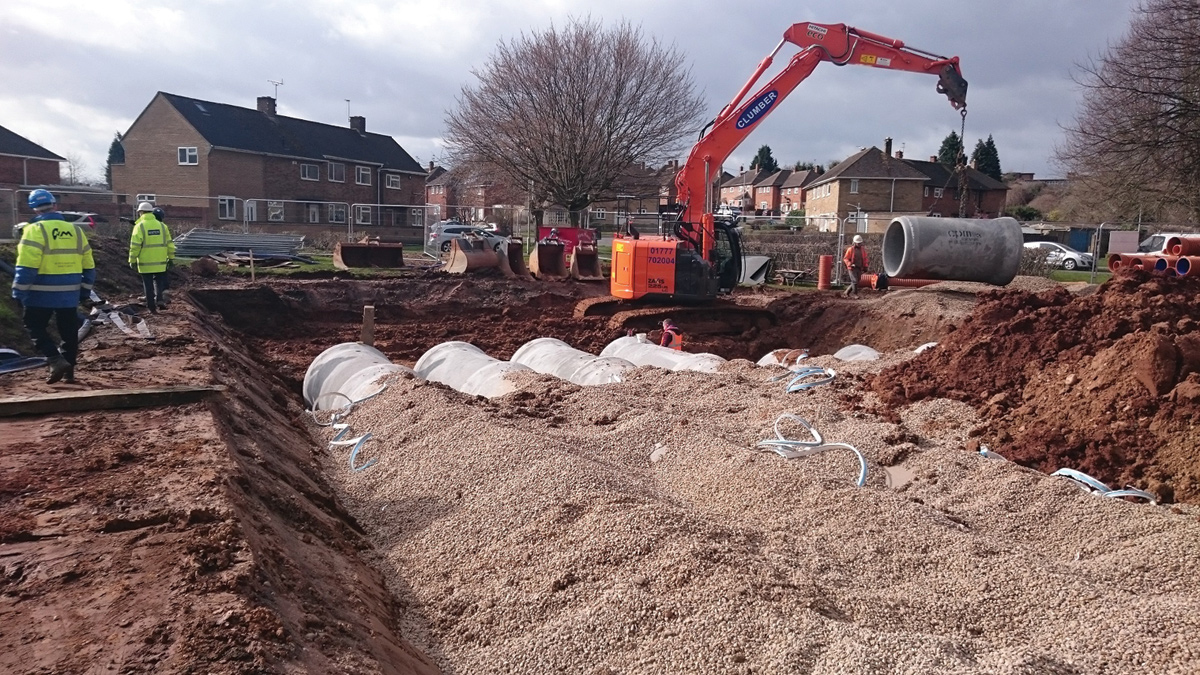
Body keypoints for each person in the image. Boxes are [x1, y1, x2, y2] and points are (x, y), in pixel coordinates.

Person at [11, 189, 96, 384]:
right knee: (69, 332)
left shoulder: (34, 230)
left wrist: (18, 292)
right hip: (69, 293)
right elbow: (89, 266)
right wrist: (84, 290)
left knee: (33, 326)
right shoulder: (76, 231)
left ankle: (55, 359)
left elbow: (27, 267)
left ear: (34, 209)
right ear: (55, 205)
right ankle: (69, 372)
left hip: (40, 294)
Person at [129, 202, 175, 312]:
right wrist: (171, 258)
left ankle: (151, 307)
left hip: (145, 263)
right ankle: (160, 300)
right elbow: (169, 244)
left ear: (140, 212)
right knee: (159, 282)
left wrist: (132, 260)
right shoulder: (162, 226)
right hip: (160, 261)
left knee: (148, 285)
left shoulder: (139, 226)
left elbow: (135, 246)